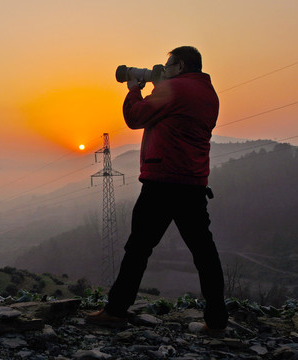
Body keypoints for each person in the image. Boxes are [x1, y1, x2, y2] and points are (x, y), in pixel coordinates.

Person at [87, 46, 228, 330]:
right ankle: (216, 319)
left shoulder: (175, 90)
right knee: (204, 253)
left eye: (169, 65)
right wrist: (161, 85)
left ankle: (115, 311)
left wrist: (134, 88)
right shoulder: (208, 94)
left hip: (162, 181)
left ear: (180, 66)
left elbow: (135, 117)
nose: (165, 69)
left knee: (138, 248)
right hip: (193, 183)